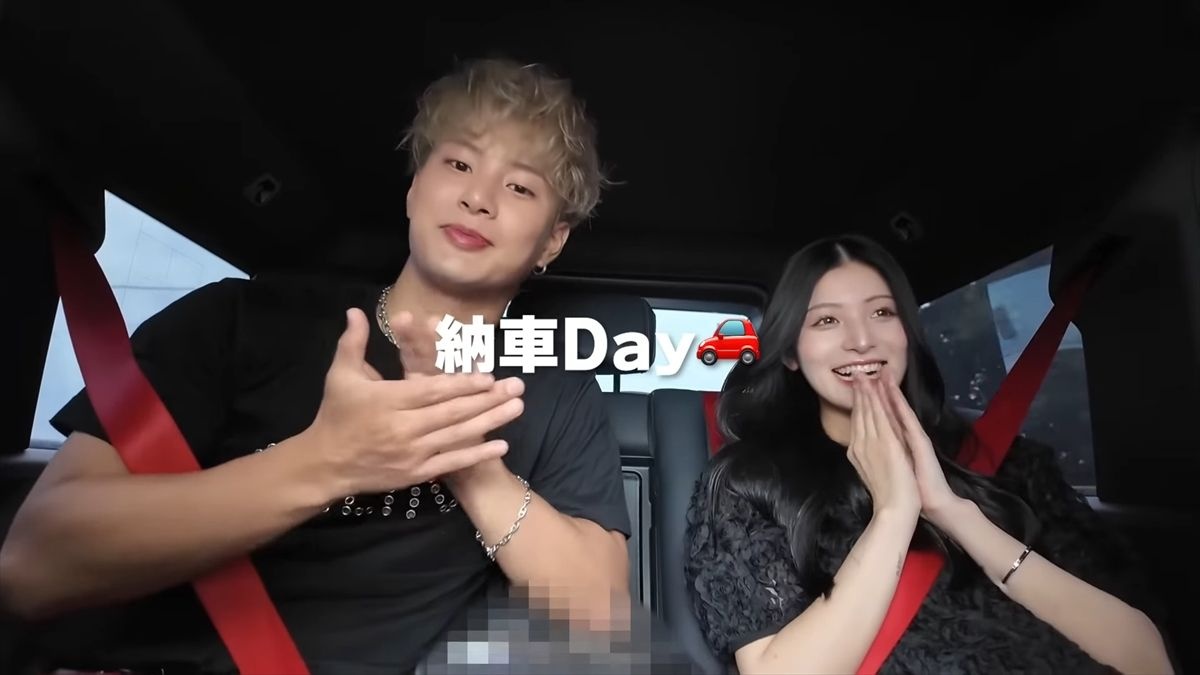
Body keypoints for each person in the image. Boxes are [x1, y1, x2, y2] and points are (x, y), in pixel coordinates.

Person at [0, 57, 632, 675]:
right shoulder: (242, 318)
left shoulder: (554, 392)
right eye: (459, 163)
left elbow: (601, 623)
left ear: (553, 240)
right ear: (415, 187)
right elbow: (32, 566)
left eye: (520, 187)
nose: (478, 197)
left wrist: (469, 463)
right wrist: (328, 461)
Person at [684, 234, 1175, 674]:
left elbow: (1146, 661)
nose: (862, 340)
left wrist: (954, 513)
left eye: (882, 313)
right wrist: (894, 514)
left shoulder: (1013, 465)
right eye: (828, 320)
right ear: (791, 352)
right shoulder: (751, 483)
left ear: (907, 334)